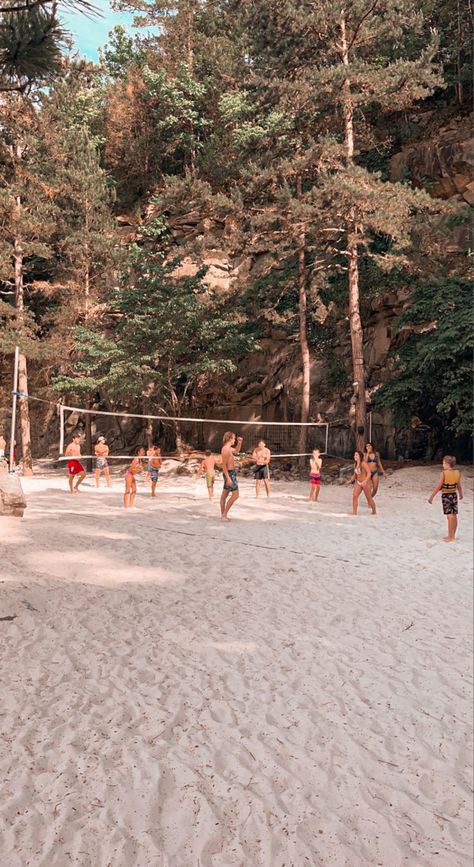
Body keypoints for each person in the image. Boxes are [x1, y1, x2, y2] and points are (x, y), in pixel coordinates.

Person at [428, 455, 463, 542]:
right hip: (454, 495)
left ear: (447, 464)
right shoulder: (457, 472)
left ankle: (450, 537)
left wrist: (431, 497)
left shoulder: (443, 473)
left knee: (450, 516)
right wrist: (461, 494)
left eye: (443, 463)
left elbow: (439, 486)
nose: (442, 464)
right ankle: (452, 535)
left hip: (446, 496)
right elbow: (459, 486)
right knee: (454, 515)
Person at [220, 431, 243, 520]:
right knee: (235, 495)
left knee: (224, 495)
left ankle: (223, 515)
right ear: (230, 438)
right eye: (234, 438)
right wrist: (229, 478)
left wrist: (239, 443)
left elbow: (236, 451)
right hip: (229, 474)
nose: (234, 440)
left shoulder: (228, 448)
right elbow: (224, 465)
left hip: (230, 473)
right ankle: (224, 514)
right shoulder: (225, 449)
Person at [346, 450, 376, 515]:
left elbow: (369, 473)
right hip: (359, 483)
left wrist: (365, 481)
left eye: (356, 455)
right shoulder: (355, 464)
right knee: (354, 496)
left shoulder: (363, 463)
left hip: (366, 483)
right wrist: (350, 480)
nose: (355, 456)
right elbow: (355, 474)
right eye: (354, 455)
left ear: (360, 456)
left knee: (369, 498)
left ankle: (374, 511)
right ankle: (354, 512)